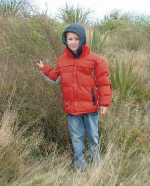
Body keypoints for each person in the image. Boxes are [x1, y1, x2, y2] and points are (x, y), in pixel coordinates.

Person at [36, 23, 112, 171]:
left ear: (82, 39)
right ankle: (81, 168)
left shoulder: (97, 60)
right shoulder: (62, 60)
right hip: (72, 108)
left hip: (90, 107)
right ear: (65, 40)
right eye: (69, 39)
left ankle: (96, 166)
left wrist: (104, 103)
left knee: (93, 137)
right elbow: (56, 78)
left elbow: (103, 83)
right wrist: (44, 69)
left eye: (76, 38)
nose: (73, 42)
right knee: (76, 138)